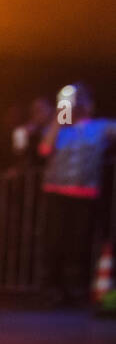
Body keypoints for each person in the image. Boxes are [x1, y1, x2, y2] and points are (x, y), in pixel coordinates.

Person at [37, 82, 116, 307]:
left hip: (84, 195)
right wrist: (57, 119)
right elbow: (43, 149)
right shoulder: (58, 129)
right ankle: (52, 288)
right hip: (56, 193)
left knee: (78, 243)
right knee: (54, 242)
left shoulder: (100, 127)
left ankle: (75, 288)